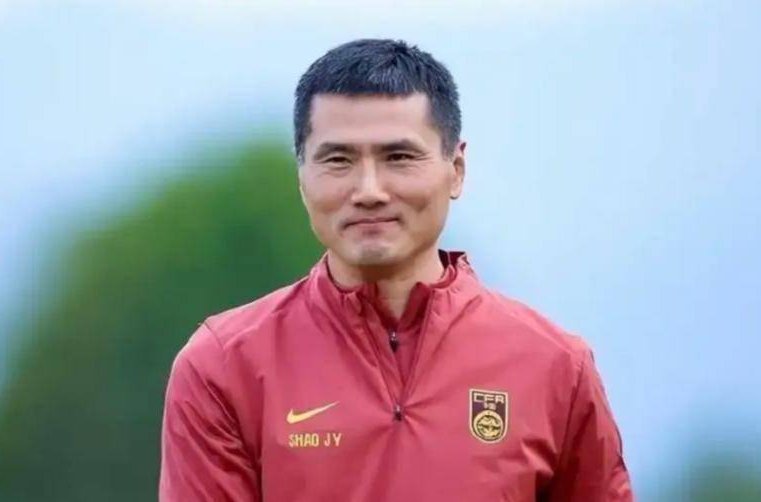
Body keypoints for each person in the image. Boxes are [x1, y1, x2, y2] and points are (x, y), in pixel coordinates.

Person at [159, 38, 633, 501]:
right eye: (338, 160)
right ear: (302, 178)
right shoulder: (224, 367)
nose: (369, 190)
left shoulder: (554, 366)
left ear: (457, 169)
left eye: (398, 157)